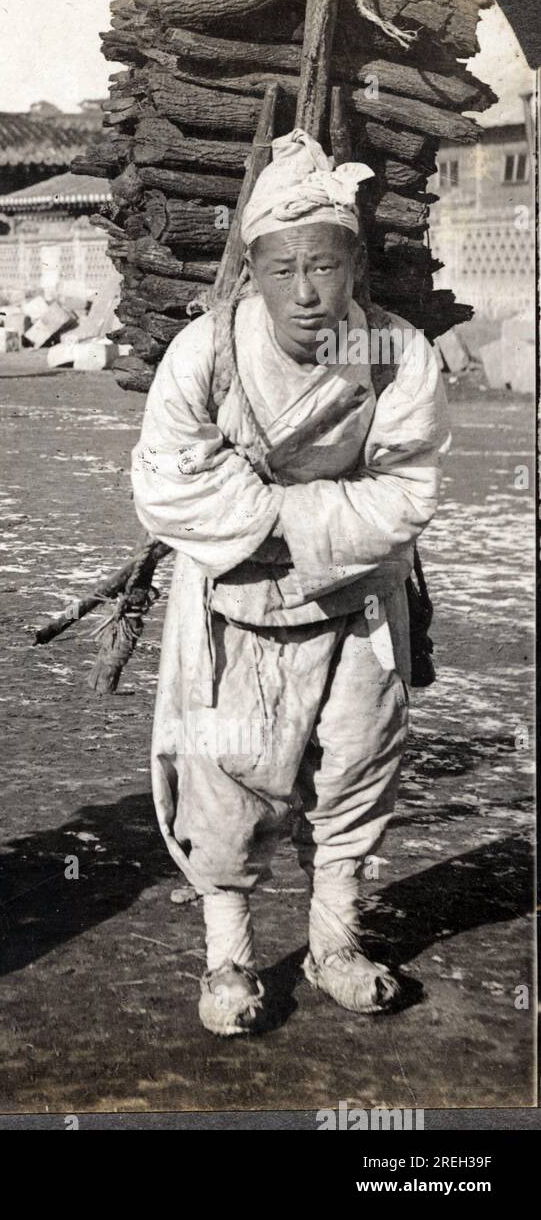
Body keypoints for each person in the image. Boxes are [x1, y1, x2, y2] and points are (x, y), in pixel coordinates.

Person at [130, 130, 450, 1037]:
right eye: (282, 269)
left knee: (355, 769)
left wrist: (283, 520)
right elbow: (165, 480)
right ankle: (227, 958)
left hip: (354, 605)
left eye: (323, 266)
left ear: (353, 265)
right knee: (226, 781)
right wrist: (288, 518)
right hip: (230, 609)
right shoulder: (205, 354)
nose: (305, 293)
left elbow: (407, 487)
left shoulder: (395, 354)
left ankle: (335, 944)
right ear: (251, 270)